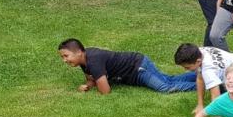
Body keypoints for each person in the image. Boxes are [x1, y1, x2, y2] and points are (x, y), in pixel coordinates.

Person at [58, 38, 196, 94]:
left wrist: (96, 86)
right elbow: (92, 78)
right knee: (169, 80)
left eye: (66, 56)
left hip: (138, 68)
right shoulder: (85, 60)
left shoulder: (93, 60)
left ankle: (205, 84)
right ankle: (199, 75)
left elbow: (105, 91)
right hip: (137, 64)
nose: (64, 60)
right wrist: (87, 85)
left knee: (165, 87)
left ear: (79, 52)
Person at [174, 43, 233, 117]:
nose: (186, 70)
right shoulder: (199, 52)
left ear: (198, 61)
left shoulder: (208, 70)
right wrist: (200, 105)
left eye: (187, 67)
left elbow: (216, 98)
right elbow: (200, 79)